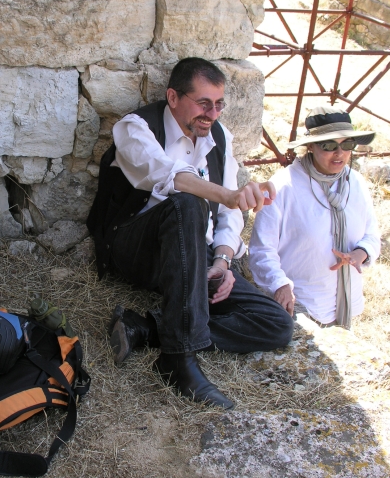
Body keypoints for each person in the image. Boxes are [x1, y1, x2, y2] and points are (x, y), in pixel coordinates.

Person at [87, 57, 294, 409]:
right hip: (136, 249)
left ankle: (147, 329)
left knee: (276, 324)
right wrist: (228, 195)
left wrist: (224, 261)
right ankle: (177, 358)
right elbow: (174, 178)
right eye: (203, 103)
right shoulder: (135, 128)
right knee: (187, 203)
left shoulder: (220, 137)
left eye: (218, 104)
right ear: (172, 97)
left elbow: (229, 214)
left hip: (194, 253)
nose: (212, 114)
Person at [249, 106, 380, 329]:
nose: (339, 153)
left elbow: (372, 233)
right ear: (310, 146)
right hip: (301, 306)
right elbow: (262, 250)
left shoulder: (355, 183)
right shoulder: (283, 187)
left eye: (347, 144)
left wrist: (362, 252)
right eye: (329, 146)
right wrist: (280, 285)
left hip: (345, 302)